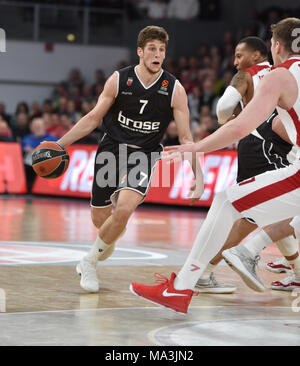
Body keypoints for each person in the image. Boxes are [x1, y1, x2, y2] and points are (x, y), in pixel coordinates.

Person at [129, 17, 300, 313]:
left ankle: (182, 287)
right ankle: (253, 256)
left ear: (275, 46)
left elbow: (239, 126)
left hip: (280, 160)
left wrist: (197, 147)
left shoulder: (279, 75)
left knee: (225, 202)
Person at [54, 25, 203, 293]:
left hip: (145, 154)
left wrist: (198, 176)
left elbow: (186, 139)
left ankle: (88, 262)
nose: (157, 54)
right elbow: (92, 119)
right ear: (140, 52)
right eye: (152, 49)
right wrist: (59, 144)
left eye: (161, 50)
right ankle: (104, 242)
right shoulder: (119, 80)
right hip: (111, 148)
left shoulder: (174, 89)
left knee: (123, 210)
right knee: (102, 222)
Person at [194, 36, 299, 294]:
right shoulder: (284, 73)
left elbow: (223, 107)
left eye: (240, 55)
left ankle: (296, 272)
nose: (235, 61)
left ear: (256, 55)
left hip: (258, 143)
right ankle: (204, 271)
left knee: (270, 213)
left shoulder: (248, 74)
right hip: (268, 145)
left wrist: (229, 121)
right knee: (257, 216)